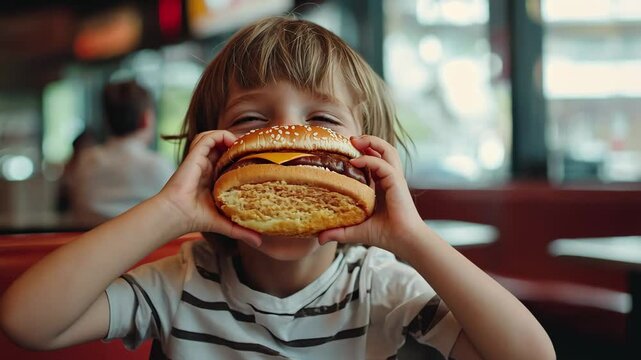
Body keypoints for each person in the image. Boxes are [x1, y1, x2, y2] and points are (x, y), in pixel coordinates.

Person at [0, 17, 555, 359]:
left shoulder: (381, 288)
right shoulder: (182, 283)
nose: (280, 140)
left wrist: (410, 237)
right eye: (248, 122)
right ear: (209, 154)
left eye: (324, 120)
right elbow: (26, 322)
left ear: (369, 156)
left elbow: (532, 356)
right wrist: (171, 209)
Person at [66, 80, 175, 224]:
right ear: (146, 119)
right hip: (150, 245)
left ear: (106, 120)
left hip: (90, 242)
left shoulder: (86, 161)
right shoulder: (158, 165)